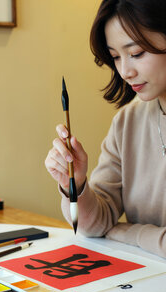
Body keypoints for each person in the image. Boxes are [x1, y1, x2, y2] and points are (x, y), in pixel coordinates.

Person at [45, 0, 166, 258]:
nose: (125, 71)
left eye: (136, 53)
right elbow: (95, 224)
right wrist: (76, 184)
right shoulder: (128, 121)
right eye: (115, 57)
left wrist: (129, 233)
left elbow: (112, 230)